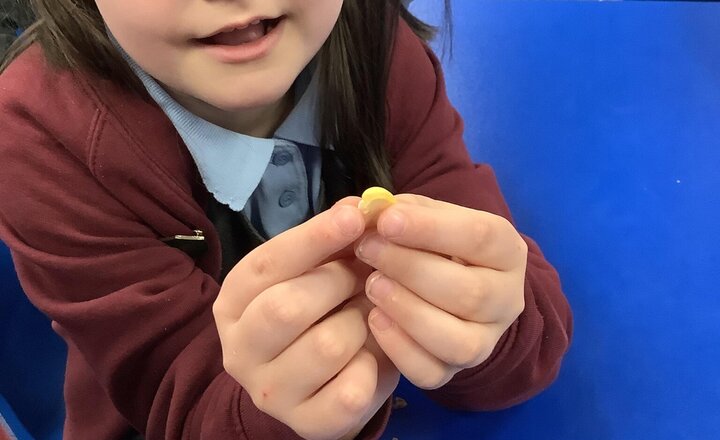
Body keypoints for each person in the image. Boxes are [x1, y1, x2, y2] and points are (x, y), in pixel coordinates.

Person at [0, 1, 573, 439]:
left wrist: (491, 328)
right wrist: (283, 419)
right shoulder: (40, 139)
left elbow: (524, 330)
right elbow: (173, 404)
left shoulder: (374, 39)